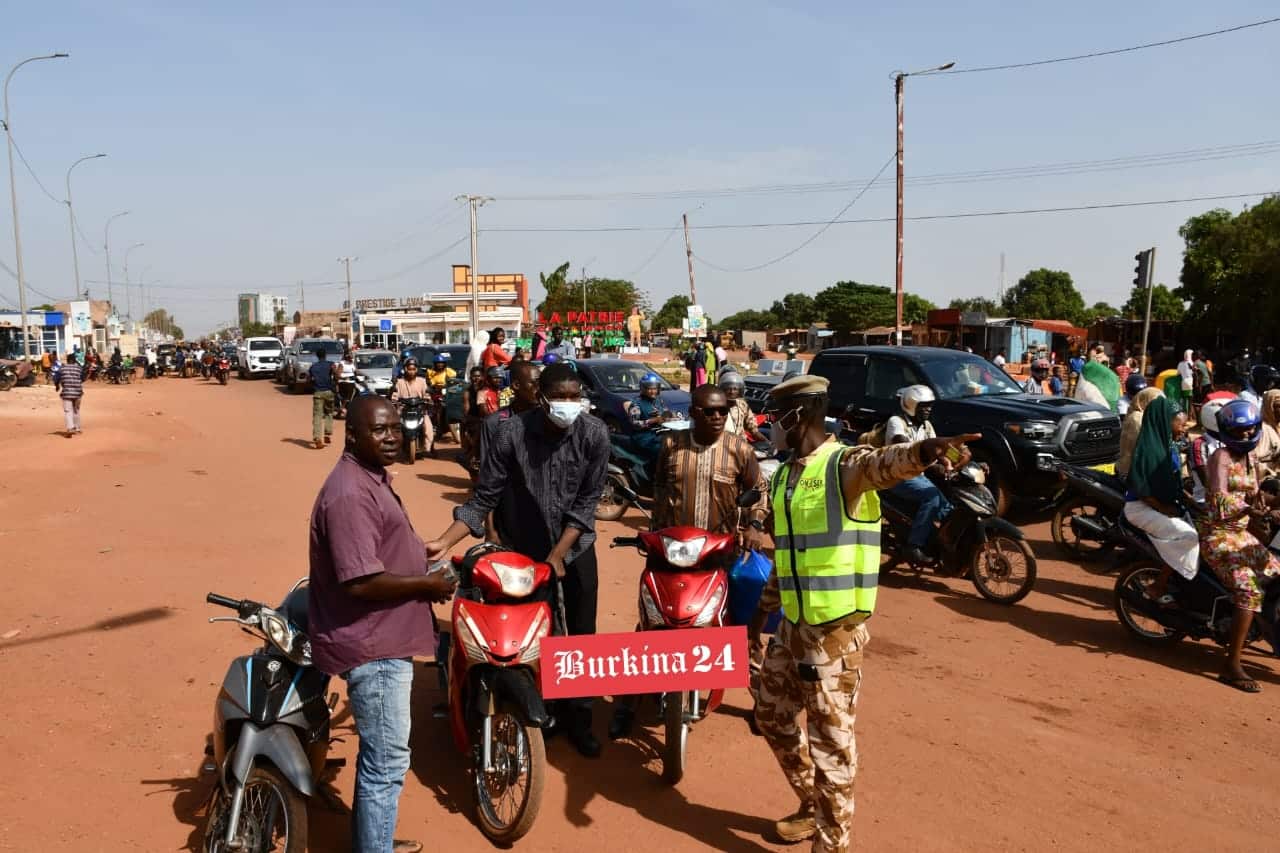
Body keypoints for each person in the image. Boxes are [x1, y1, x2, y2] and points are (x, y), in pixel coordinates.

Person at [749, 375, 977, 850]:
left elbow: (886, 464)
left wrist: (927, 451)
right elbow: (791, 554)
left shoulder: (844, 465)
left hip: (832, 636)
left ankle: (831, 844)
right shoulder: (789, 475)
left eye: (778, 415)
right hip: (792, 627)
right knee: (771, 716)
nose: (771, 425)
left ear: (803, 414)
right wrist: (761, 614)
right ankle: (813, 805)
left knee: (832, 747)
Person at [426, 363, 610, 756]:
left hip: (574, 549)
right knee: (530, 634)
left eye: (574, 397)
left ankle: (580, 719)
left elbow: (587, 504)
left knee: (579, 634)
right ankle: (540, 711)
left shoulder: (595, 433)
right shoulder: (510, 433)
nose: (568, 405)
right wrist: (444, 541)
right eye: (559, 398)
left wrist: (559, 555)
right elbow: (485, 496)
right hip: (522, 550)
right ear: (540, 398)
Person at [308, 395, 457, 853]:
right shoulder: (351, 492)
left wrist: (416, 550)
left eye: (396, 427)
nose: (393, 437)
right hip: (374, 645)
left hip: (384, 635)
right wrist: (426, 585)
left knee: (381, 758)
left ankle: (374, 841)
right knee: (387, 761)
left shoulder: (368, 478)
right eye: (380, 430)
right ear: (353, 435)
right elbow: (361, 582)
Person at [609, 384, 768, 740]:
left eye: (722, 411)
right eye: (708, 411)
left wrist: (755, 525)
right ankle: (627, 703)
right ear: (692, 412)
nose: (716, 417)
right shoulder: (671, 447)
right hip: (669, 552)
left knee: (736, 630)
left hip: (718, 553)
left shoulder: (739, 449)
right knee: (651, 622)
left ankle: (763, 702)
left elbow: (759, 491)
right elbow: (661, 492)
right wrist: (652, 534)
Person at [1199, 399, 1280, 693]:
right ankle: (1231, 665)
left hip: (1242, 535)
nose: (1246, 435)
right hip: (1218, 536)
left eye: (1249, 431)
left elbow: (1257, 495)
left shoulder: (1249, 459)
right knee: (1249, 590)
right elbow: (1219, 498)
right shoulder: (1222, 456)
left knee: (1275, 572)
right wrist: (1248, 508)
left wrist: (1267, 503)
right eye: (1240, 431)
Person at [1123, 396, 1198, 604]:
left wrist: (1190, 500)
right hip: (1141, 507)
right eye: (1181, 424)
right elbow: (1141, 488)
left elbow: (1174, 482)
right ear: (1165, 421)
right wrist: (1164, 509)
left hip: (1163, 506)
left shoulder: (1169, 446)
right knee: (1188, 536)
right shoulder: (1148, 449)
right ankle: (1158, 585)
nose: (1183, 429)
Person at [884, 385, 953, 565]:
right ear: (911, 405)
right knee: (931, 498)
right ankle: (914, 546)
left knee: (948, 509)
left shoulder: (927, 426)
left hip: (917, 476)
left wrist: (965, 459)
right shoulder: (896, 422)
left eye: (930, 405)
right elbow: (903, 444)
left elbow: (939, 449)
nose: (928, 409)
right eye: (924, 406)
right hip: (897, 476)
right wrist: (931, 462)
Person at [626, 373, 673, 471]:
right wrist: (653, 420)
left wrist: (672, 416)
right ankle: (656, 475)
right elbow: (635, 424)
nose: (653, 391)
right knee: (662, 451)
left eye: (655, 388)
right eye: (649, 388)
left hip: (659, 434)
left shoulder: (658, 400)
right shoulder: (636, 404)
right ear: (643, 389)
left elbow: (665, 413)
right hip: (644, 438)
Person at [1116, 386, 1164, 479]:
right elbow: (1143, 446)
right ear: (1146, 401)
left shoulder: (1149, 416)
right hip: (1130, 471)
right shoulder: (1136, 419)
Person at [391, 357, 434, 452]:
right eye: (409, 369)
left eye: (413, 369)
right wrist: (394, 401)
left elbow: (427, 394)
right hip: (403, 410)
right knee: (394, 426)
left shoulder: (422, 381)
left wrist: (428, 400)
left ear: (417, 369)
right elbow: (394, 396)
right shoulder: (399, 382)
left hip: (420, 409)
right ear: (405, 369)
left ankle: (427, 447)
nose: (411, 371)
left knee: (428, 427)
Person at [719, 371, 765, 442]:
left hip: (741, 444)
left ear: (740, 390)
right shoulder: (717, 406)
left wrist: (768, 443)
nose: (732, 392)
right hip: (723, 443)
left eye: (735, 389)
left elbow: (753, 429)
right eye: (729, 388)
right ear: (723, 389)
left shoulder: (742, 405)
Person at [309, 347, 340, 449]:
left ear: (317, 356)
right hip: (329, 392)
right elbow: (336, 375)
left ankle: (317, 438)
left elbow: (310, 380)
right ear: (325, 355)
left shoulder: (313, 367)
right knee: (329, 413)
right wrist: (335, 381)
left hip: (318, 392)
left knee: (317, 416)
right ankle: (327, 433)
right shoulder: (331, 364)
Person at [59, 350, 85, 437]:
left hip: (66, 393)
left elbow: (56, 378)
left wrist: (57, 385)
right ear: (74, 360)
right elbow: (83, 378)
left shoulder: (62, 368)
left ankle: (70, 428)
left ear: (67, 360)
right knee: (76, 410)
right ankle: (77, 428)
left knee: (68, 411)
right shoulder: (79, 368)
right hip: (78, 393)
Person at [1176, 349, 1196, 416]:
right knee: (1191, 401)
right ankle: (1190, 416)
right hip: (1191, 382)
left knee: (1185, 400)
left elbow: (1178, 374)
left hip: (1184, 383)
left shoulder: (1180, 363)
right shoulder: (1193, 364)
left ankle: (1185, 414)